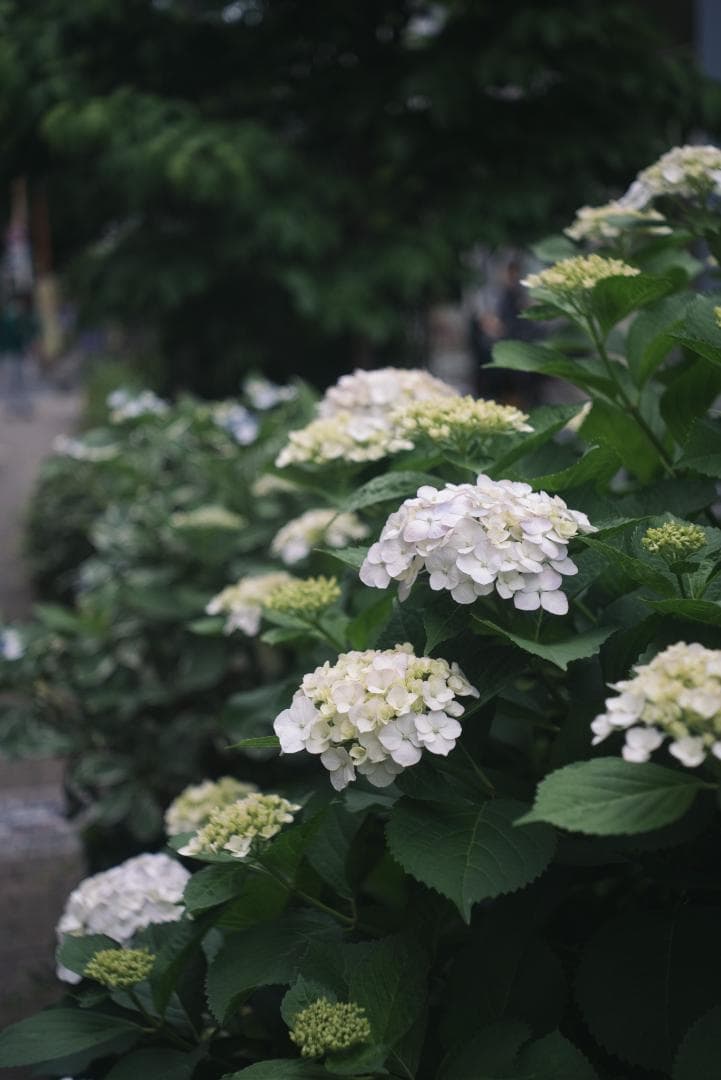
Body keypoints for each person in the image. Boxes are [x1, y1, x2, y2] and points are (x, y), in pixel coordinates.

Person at [0, 292, 38, 417]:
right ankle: (14, 408)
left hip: (16, 353)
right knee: (13, 381)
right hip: (10, 353)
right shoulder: (10, 319)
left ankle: (21, 407)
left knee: (19, 381)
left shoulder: (15, 318)